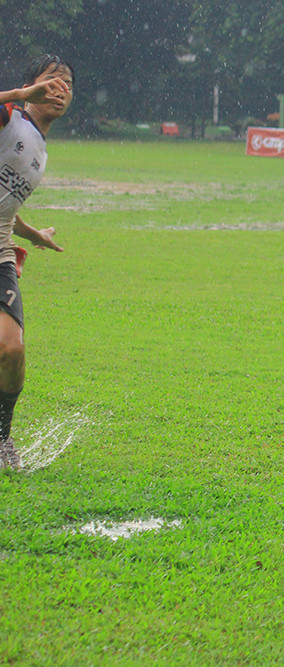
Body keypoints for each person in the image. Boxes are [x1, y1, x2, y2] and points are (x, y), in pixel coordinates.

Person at [0, 55, 73, 469]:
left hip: (0, 250)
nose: (60, 89)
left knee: (12, 349)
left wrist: (33, 235)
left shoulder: (40, 151)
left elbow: (5, 207)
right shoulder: (9, 118)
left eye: (67, 85)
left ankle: (1, 438)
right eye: (52, 81)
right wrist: (19, 95)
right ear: (32, 86)